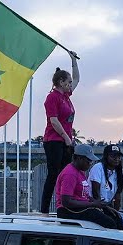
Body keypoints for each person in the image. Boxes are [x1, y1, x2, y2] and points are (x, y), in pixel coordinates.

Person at [40, 50, 80, 214]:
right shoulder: (52, 97)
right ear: (61, 82)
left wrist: (73, 61)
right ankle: (44, 209)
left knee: (66, 174)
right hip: (54, 140)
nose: (71, 84)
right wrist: (66, 138)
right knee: (53, 173)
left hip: (66, 141)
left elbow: (77, 79)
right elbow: (53, 121)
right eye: (68, 81)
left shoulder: (66, 96)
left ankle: (63, 206)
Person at [55, 144, 123, 229]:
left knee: (117, 219)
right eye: (88, 161)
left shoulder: (80, 172)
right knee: (109, 223)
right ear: (79, 158)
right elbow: (66, 202)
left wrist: (104, 206)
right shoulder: (70, 174)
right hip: (69, 211)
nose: (90, 164)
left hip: (81, 208)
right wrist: (92, 204)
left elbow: (85, 196)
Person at [89, 144, 123, 211]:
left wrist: (116, 212)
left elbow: (118, 196)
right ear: (106, 157)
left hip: (108, 206)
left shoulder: (120, 171)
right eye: (113, 156)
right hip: (94, 206)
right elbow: (96, 194)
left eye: (118, 156)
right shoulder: (98, 167)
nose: (116, 159)